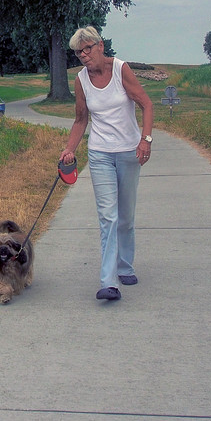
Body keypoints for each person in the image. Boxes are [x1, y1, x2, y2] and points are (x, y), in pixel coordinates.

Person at [59, 26, 154, 302]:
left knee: (125, 216)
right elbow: (80, 120)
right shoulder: (81, 80)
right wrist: (69, 149)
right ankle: (108, 281)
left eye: (88, 48)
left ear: (101, 46)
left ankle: (125, 265)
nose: (84, 55)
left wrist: (145, 140)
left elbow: (146, 104)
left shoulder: (121, 69)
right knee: (107, 216)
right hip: (100, 153)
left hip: (128, 152)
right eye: (79, 52)